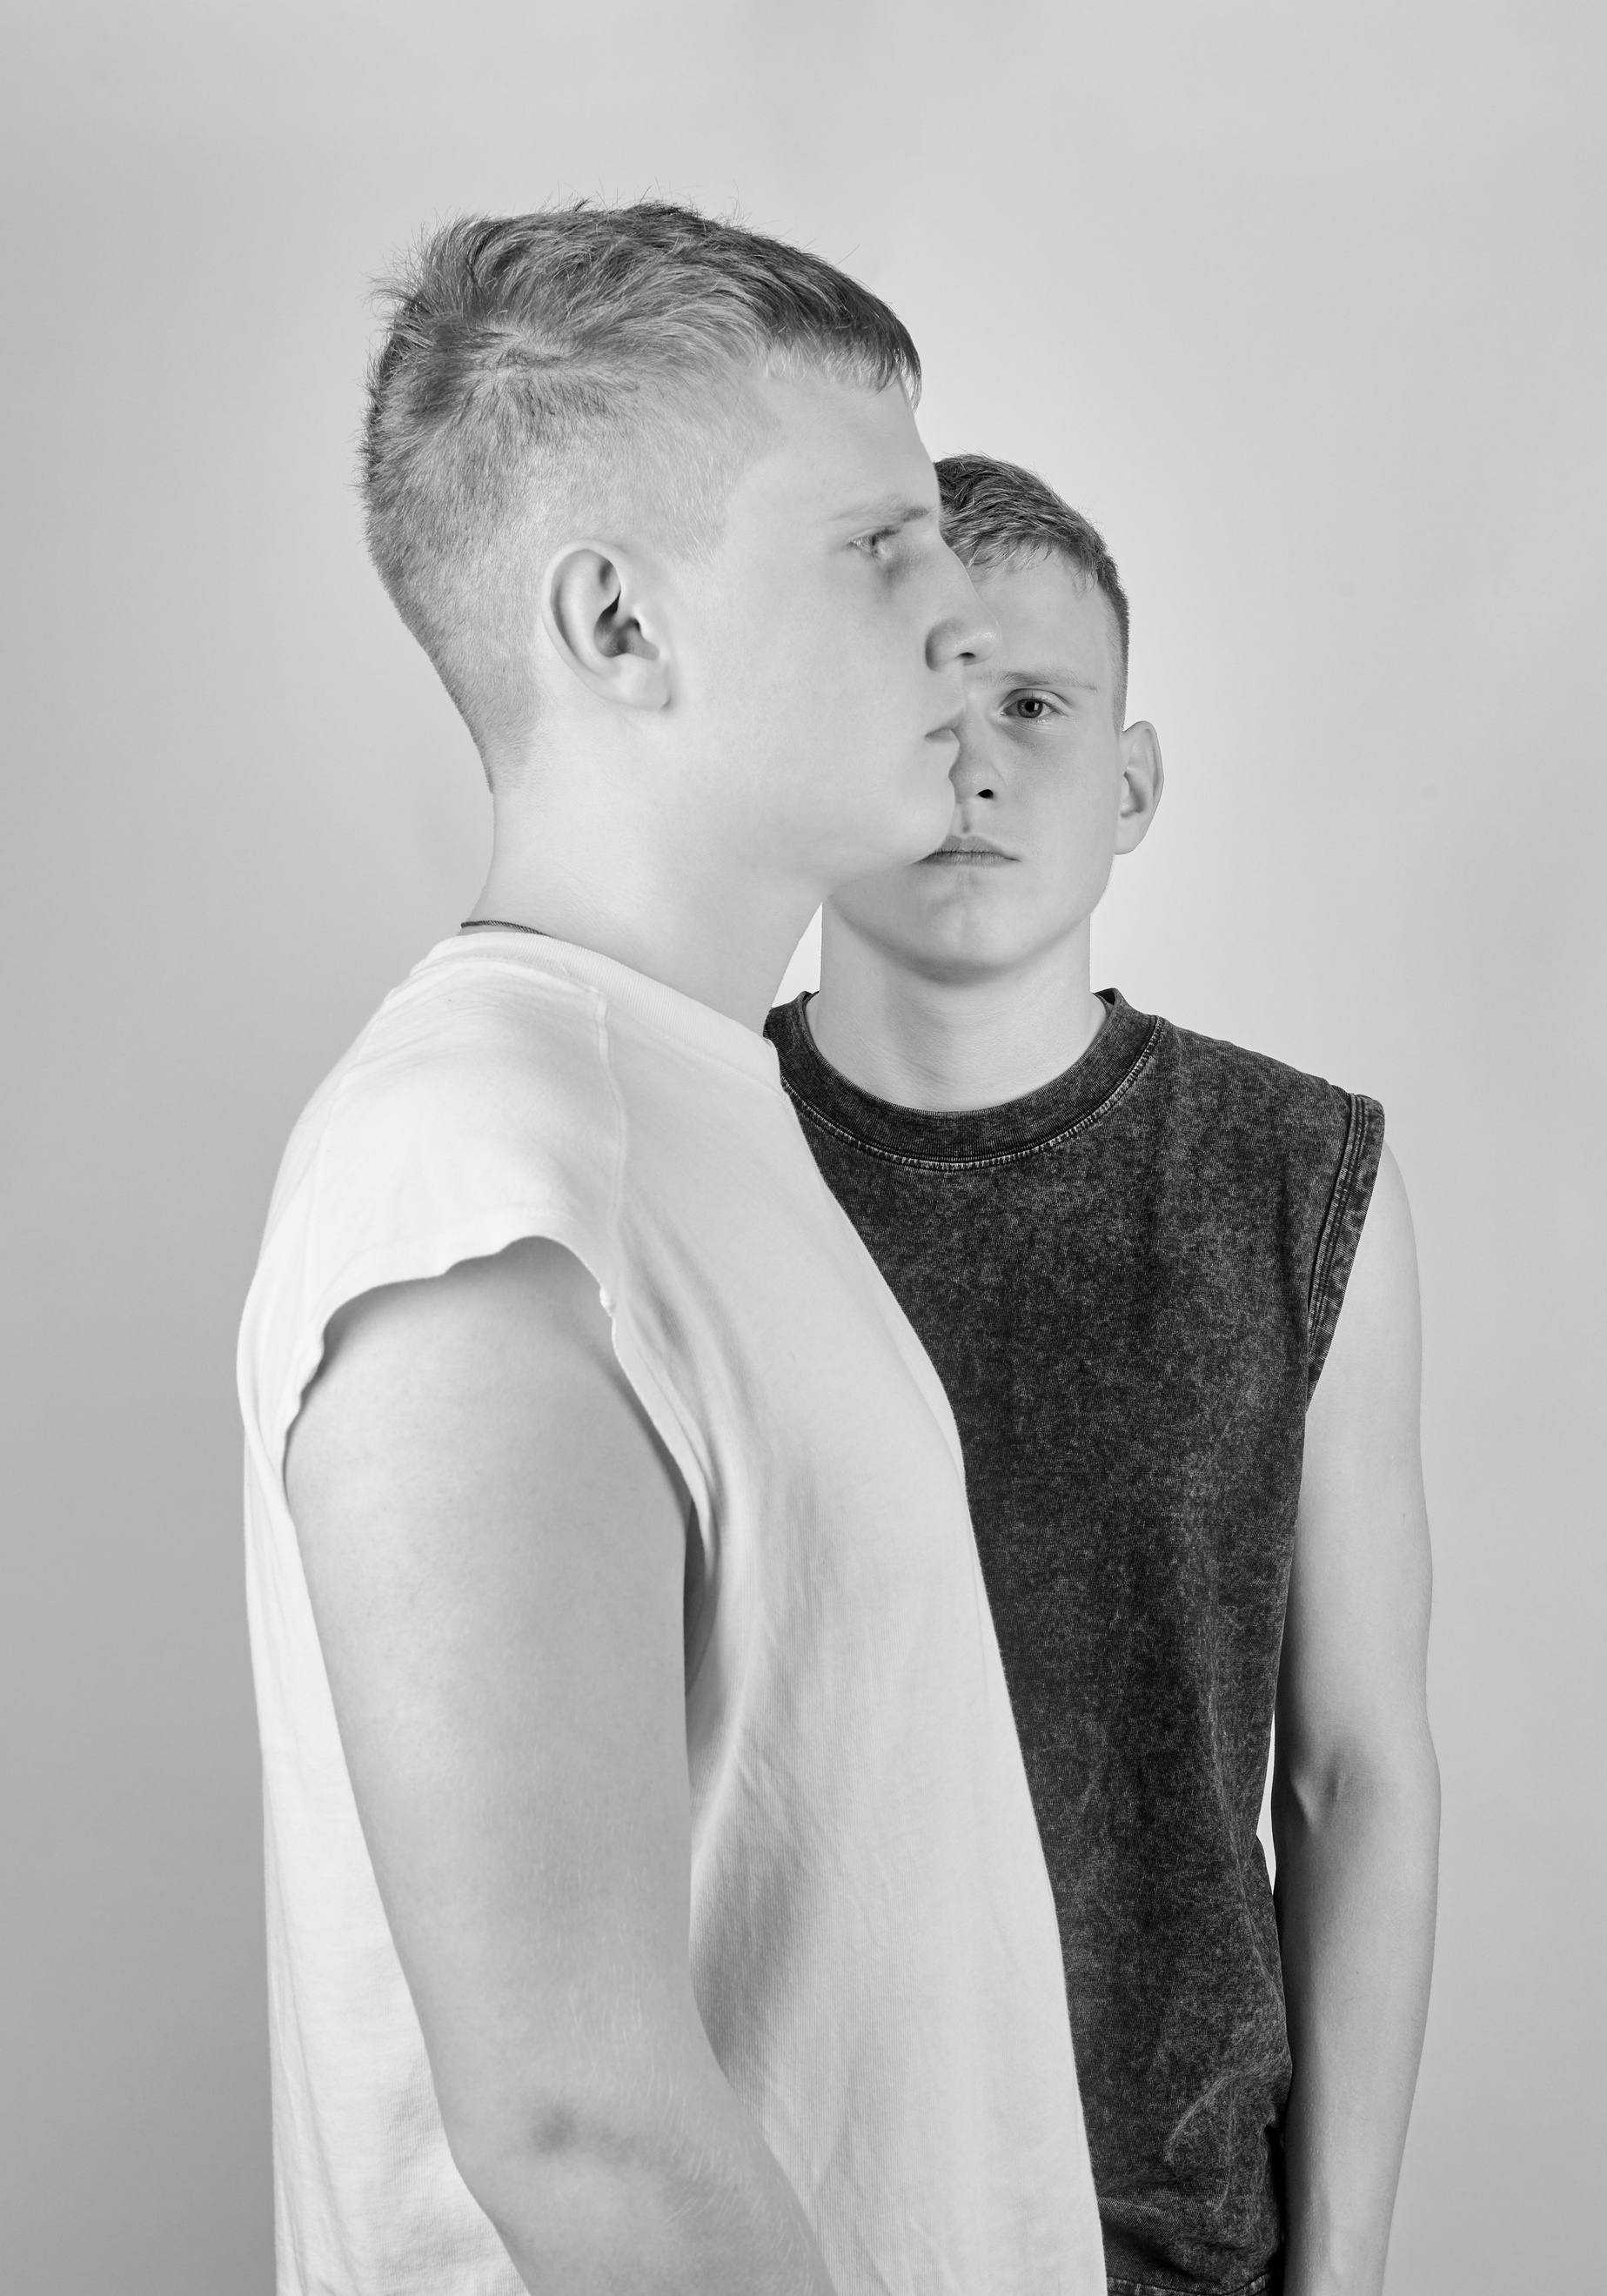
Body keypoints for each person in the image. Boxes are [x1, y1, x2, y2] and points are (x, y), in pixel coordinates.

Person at [238, 218, 1108, 2296]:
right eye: (878, 547)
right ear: (618, 621)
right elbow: (577, 2122)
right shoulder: (485, 1180)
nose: (958, 611)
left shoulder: (678, 1111)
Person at [767, 454, 1442, 2296]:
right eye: (922, 700)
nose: (972, 765)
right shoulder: (679, 1158)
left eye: (1034, 708)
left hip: (1166, 2236)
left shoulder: (1299, 1179)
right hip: (761, 2228)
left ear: (1130, 785)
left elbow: (1355, 1774)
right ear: (815, 757)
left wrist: (1341, 2275)